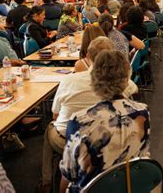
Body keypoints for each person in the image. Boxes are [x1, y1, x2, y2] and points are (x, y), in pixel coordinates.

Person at [41, 37, 138, 192]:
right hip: (115, 143)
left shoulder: (69, 82)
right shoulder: (131, 93)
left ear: (88, 56)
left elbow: (55, 115)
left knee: (50, 128)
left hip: (71, 141)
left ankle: (46, 181)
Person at [59, 50, 150, 192]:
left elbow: (69, 173)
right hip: (129, 187)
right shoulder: (142, 112)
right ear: (126, 79)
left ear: (94, 79)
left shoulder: (80, 121)